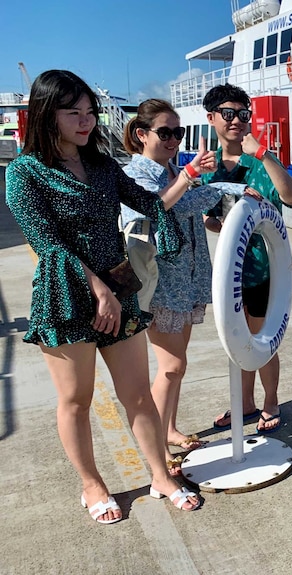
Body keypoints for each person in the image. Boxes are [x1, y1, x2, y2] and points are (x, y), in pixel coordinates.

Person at [4, 70, 201, 523]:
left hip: (118, 289)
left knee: (137, 395)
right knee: (77, 399)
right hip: (66, 297)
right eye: (73, 112)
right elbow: (47, 242)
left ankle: (160, 475)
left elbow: (151, 203)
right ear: (45, 114)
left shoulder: (103, 165)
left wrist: (199, 179)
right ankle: (92, 485)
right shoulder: (24, 173)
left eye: (90, 112)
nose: (86, 121)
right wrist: (99, 292)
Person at [121, 98, 260, 476]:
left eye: (178, 133)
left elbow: (193, 199)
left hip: (186, 282)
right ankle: (156, 449)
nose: (173, 140)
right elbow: (155, 208)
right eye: (165, 132)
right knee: (171, 366)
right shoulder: (137, 175)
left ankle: (167, 429)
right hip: (161, 285)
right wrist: (190, 177)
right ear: (141, 134)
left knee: (176, 367)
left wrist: (230, 188)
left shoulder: (169, 170)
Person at [201, 83, 292, 434]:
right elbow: (213, 221)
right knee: (235, 339)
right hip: (230, 272)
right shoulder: (208, 167)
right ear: (211, 117)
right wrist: (215, 221)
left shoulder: (260, 158)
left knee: (261, 339)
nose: (236, 120)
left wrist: (263, 154)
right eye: (228, 114)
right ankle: (243, 403)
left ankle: (270, 400)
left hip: (263, 270)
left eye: (243, 114)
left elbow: (291, 198)